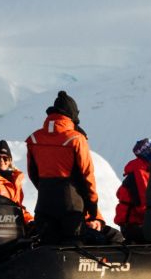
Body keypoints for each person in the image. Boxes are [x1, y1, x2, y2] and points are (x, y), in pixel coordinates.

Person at [26, 90, 101, 243]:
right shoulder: (76, 139)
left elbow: (32, 173)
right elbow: (87, 175)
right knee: (74, 250)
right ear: (72, 114)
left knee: (47, 247)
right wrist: (92, 207)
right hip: (71, 204)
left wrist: (46, 189)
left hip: (44, 202)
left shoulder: (34, 138)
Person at [115, 138, 151, 241]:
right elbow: (143, 205)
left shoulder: (149, 171)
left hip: (138, 223)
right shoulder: (140, 173)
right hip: (134, 226)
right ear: (149, 156)